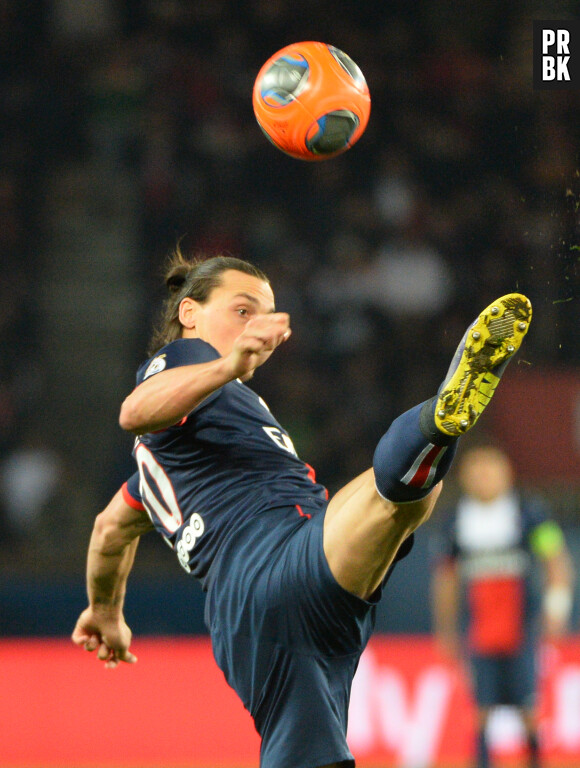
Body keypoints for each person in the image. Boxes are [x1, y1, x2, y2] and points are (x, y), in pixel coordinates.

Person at [72, 249, 533, 768]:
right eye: (242, 309)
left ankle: (440, 421)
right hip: (266, 562)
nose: (259, 324)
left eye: (267, 314)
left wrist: (105, 610)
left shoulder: (162, 469)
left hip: (288, 595)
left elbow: (110, 529)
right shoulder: (186, 360)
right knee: (394, 501)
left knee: (399, 502)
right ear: (189, 313)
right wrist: (226, 365)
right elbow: (135, 411)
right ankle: (435, 421)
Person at [431, 445, 574, 768]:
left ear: (507, 473)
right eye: (476, 470)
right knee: (480, 708)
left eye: (490, 469)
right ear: (464, 478)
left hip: (521, 629)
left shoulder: (528, 512)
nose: (483, 477)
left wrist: (556, 608)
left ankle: (535, 760)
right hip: (478, 630)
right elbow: (446, 578)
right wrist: (446, 630)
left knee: (529, 708)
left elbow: (556, 559)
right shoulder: (455, 522)